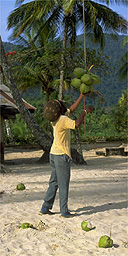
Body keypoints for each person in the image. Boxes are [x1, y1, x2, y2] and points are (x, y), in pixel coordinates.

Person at [40, 93, 93, 218]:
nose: (65, 105)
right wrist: (84, 112)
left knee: (54, 182)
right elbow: (77, 124)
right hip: (61, 156)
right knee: (63, 184)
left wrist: (81, 96)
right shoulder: (63, 120)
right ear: (60, 110)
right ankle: (64, 211)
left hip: (53, 154)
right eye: (62, 104)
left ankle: (45, 207)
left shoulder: (57, 119)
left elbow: (72, 109)